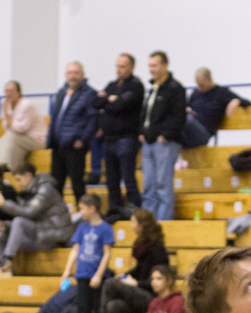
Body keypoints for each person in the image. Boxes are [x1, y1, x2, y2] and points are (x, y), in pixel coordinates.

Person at [0, 162, 74, 278]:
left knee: (19, 221)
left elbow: (29, 213)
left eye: (19, 179)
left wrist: (4, 204)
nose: (17, 184)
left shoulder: (46, 189)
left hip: (52, 236)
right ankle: (4, 268)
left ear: (28, 176)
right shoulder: (27, 192)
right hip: (38, 233)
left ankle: (6, 261)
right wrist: (6, 226)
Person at [98, 207, 168, 313]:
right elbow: (139, 270)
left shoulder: (158, 248)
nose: (131, 225)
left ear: (141, 225)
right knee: (112, 307)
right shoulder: (141, 244)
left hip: (150, 296)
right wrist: (125, 275)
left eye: (133, 222)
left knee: (109, 283)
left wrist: (136, 284)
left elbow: (161, 279)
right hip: (137, 294)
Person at [140, 51, 188, 221]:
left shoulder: (175, 89)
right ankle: (147, 227)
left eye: (155, 65)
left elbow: (179, 117)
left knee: (163, 186)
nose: (151, 69)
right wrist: (142, 133)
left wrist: (165, 136)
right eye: (150, 66)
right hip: (148, 142)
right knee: (149, 187)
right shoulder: (151, 88)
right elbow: (145, 114)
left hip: (164, 144)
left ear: (165, 66)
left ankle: (163, 226)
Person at [61, 193, 116, 313]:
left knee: (99, 309)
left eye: (83, 209)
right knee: (82, 309)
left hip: (97, 276)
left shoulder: (105, 228)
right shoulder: (81, 227)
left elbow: (107, 254)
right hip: (82, 274)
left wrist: (98, 274)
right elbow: (75, 250)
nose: (81, 212)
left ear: (92, 209)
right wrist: (67, 271)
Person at [96, 53, 144, 217]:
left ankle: (134, 207)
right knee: (111, 179)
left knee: (128, 177)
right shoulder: (111, 85)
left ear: (131, 67)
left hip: (126, 138)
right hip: (109, 138)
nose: (119, 70)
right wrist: (112, 99)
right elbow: (96, 102)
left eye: (123, 66)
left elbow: (121, 105)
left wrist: (108, 101)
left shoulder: (136, 86)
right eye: (117, 66)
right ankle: (114, 208)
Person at [48, 61, 96, 204]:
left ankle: (83, 219)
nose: (72, 76)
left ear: (82, 75)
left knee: (77, 186)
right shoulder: (60, 93)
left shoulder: (88, 93)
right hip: (58, 146)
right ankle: (58, 220)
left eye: (76, 72)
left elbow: (93, 119)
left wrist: (82, 139)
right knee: (56, 186)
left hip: (74, 147)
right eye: (70, 73)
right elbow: (55, 117)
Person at [0, 80, 46, 170]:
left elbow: (21, 128)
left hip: (37, 139)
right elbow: (5, 126)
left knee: (12, 139)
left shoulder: (26, 105)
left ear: (18, 92)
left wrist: (7, 116)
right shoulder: (8, 106)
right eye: (6, 91)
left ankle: (12, 169)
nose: (8, 94)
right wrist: (6, 113)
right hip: (21, 137)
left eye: (11, 91)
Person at [182, 68, 246, 148]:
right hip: (189, 132)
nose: (199, 87)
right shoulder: (196, 93)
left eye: (201, 84)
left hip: (203, 133)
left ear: (209, 80)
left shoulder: (221, 93)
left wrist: (236, 101)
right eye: (197, 84)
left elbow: (247, 102)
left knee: (187, 119)